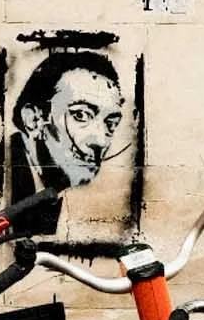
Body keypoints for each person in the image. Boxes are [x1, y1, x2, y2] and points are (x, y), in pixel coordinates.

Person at [8, 48, 125, 218]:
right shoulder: (7, 182)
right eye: (80, 115)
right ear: (34, 119)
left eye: (111, 124)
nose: (100, 141)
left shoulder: (50, 188)